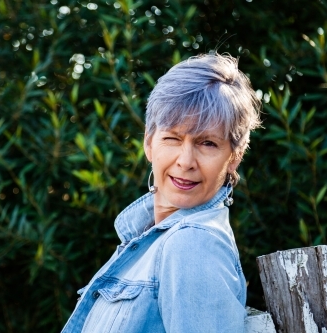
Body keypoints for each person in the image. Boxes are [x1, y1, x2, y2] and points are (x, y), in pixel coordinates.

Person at [61, 52, 262, 333]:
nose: (185, 161)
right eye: (173, 138)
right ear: (149, 143)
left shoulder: (193, 243)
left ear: (234, 157)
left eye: (208, 143)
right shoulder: (149, 240)